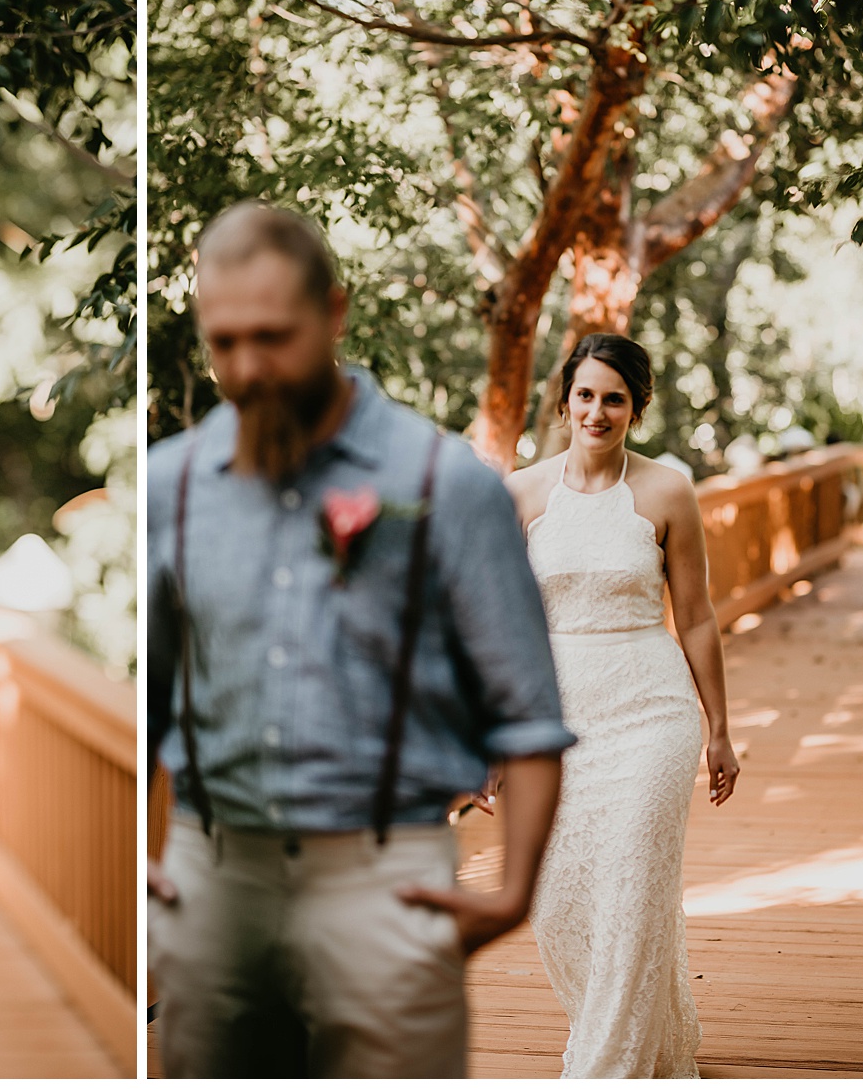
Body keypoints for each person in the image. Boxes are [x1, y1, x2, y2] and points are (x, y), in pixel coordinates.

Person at [146, 201, 576, 1078]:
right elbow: (153, 702)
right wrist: (154, 869)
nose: (248, 367)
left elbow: (527, 712)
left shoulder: (444, 484)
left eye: (274, 335)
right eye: (223, 342)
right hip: (213, 874)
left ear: (334, 314)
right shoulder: (174, 485)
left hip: (387, 870)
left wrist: (512, 896)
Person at [505, 332, 740, 1077]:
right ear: (565, 398)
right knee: (558, 897)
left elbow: (696, 615)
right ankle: (641, 1033)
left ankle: (607, 1065)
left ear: (636, 407)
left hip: (650, 711)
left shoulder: (668, 490)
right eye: (586, 395)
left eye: (615, 398)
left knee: (634, 882)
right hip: (557, 715)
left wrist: (720, 730)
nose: (598, 412)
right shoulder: (522, 494)